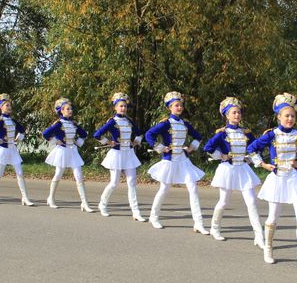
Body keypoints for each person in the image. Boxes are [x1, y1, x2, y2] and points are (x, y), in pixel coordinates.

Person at [246, 93, 297, 273]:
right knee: (273, 218)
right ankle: (268, 248)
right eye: (286, 115)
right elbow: (252, 149)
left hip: (296, 179)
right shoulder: (271, 134)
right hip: (277, 179)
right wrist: (263, 164)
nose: (290, 119)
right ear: (279, 117)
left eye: (293, 116)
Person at [203, 97, 265, 250]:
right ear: (227, 115)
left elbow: (255, 147)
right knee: (224, 201)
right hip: (228, 170)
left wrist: (252, 159)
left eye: (239, 112)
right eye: (234, 113)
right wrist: (222, 156)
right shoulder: (222, 133)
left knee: (252, 202)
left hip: (243, 169)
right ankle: (215, 228)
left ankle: (259, 236)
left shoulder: (247, 133)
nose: (237, 115)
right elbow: (207, 147)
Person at [144, 91, 208, 234]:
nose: (179, 108)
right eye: (176, 105)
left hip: (183, 159)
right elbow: (149, 134)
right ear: (170, 108)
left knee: (193, 189)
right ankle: (153, 217)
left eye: (180, 105)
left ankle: (198, 223)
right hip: (170, 160)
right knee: (164, 188)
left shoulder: (185, 124)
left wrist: (192, 147)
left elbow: (198, 136)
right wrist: (160, 147)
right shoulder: (166, 123)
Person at [92, 92, 146, 221]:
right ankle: (102, 204)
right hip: (116, 154)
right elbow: (97, 134)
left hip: (128, 154)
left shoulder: (129, 121)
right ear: (115, 107)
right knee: (114, 183)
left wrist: (135, 142)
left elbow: (139, 134)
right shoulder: (112, 122)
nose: (123, 108)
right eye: (121, 106)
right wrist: (108, 142)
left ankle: (136, 212)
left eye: (125, 106)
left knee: (132, 183)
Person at [42, 98, 94, 212]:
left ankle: (84, 203)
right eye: (67, 109)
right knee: (58, 175)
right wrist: (56, 141)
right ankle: (50, 198)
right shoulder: (59, 123)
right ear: (61, 111)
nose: (70, 111)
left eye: (71, 109)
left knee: (79, 177)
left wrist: (78, 142)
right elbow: (45, 134)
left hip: (73, 151)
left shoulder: (73, 123)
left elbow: (84, 134)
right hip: (62, 151)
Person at [0, 94, 35, 206]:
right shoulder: (0, 121)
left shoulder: (12, 121)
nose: (9, 107)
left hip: (12, 150)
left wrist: (18, 138)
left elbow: (22, 130)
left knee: (20, 173)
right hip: (3, 150)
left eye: (10, 105)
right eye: (7, 105)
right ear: (1, 107)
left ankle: (25, 198)